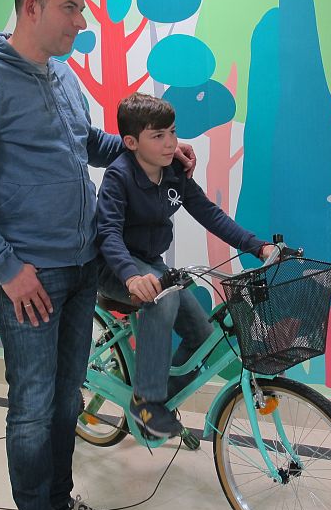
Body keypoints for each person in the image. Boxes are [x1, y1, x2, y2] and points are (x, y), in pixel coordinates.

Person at [0, 0, 195, 510]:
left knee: (65, 400)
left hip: (81, 264)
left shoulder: (60, 75)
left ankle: (58, 506)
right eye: (71, 8)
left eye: (82, 9)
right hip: (29, 273)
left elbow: (93, 143)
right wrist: (5, 268)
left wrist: (161, 151)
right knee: (32, 402)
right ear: (32, 8)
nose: (81, 21)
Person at [97, 93, 276, 438]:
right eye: (158, 136)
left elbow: (209, 213)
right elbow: (107, 234)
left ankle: (161, 398)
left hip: (150, 262)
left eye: (172, 133)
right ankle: (146, 402)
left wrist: (258, 246)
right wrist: (131, 277)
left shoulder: (174, 173)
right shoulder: (119, 177)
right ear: (132, 142)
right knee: (162, 299)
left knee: (203, 337)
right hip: (113, 266)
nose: (170, 144)